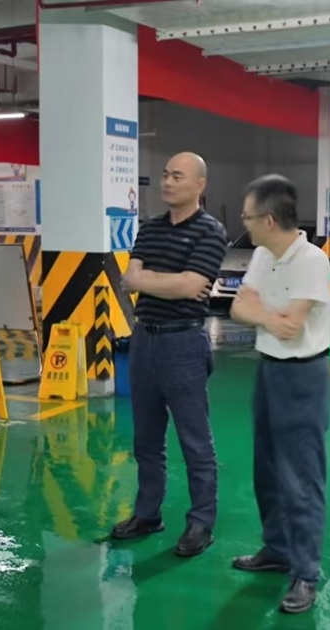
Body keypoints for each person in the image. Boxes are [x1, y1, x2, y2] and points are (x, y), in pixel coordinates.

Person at [111, 152, 228, 557]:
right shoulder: (150, 228)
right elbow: (130, 278)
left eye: (177, 176)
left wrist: (150, 280)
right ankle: (147, 514)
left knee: (195, 441)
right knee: (146, 438)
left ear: (199, 185)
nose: (167, 182)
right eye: (165, 175)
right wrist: (171, 281)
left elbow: (191, 286)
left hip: (184, 343)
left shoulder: (211, 231)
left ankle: (201, 523)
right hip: (144, 339)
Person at [229, 174, 330, 614]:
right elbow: (239, 308)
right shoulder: (262, 255)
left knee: (301, 478)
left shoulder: (311, 260)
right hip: (269, 368)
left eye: (248, 217)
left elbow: (292, 327)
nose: (244, 223)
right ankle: (277, 549)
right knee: (267, 468)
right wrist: (268, 317)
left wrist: (261, 313)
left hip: (303, 376)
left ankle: (305, 573)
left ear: (269, 220)